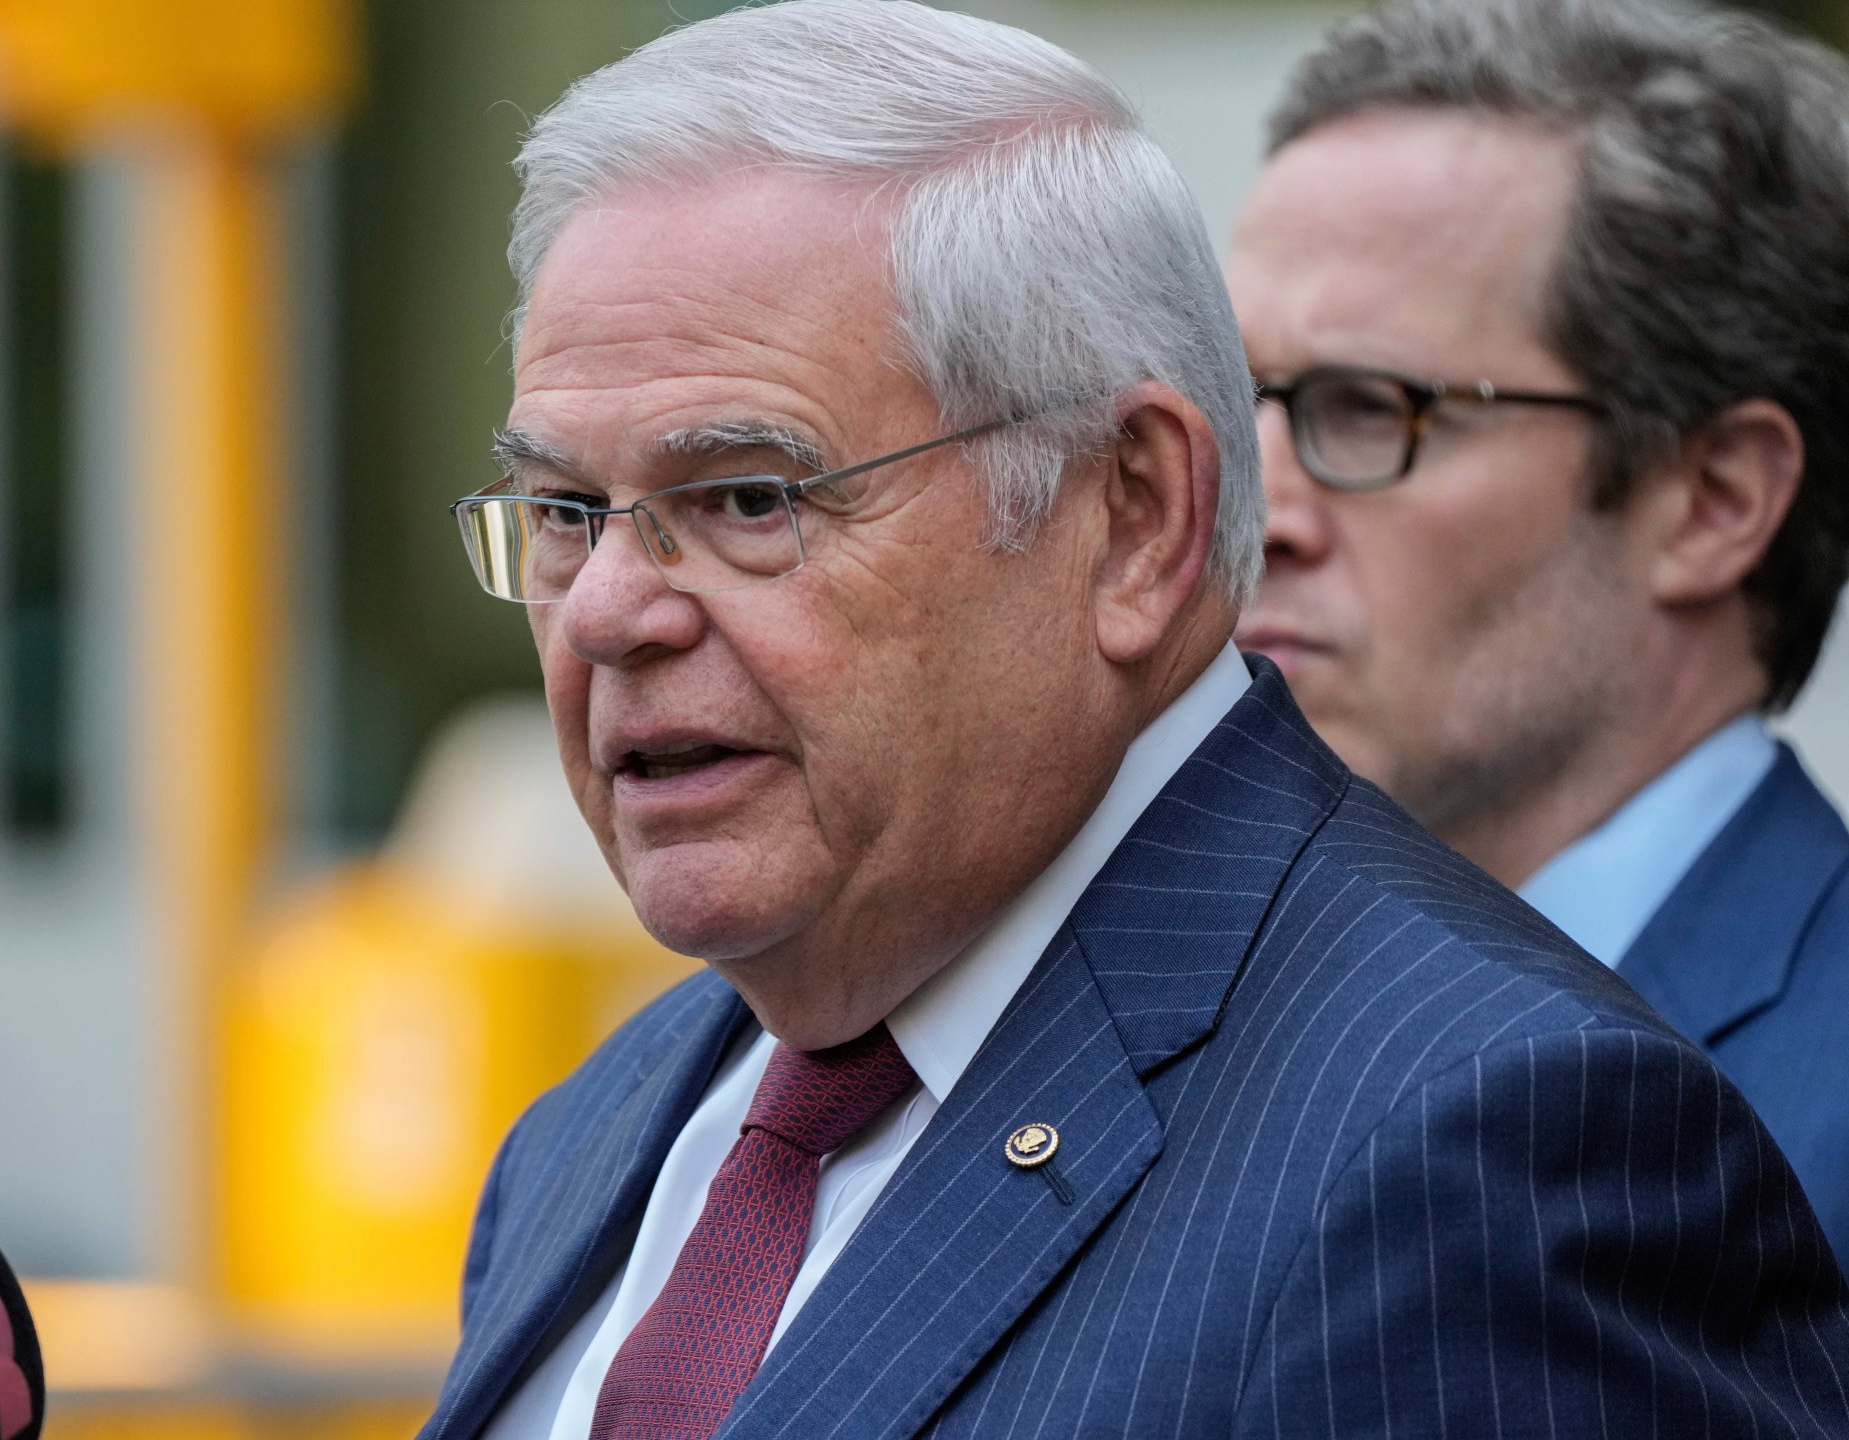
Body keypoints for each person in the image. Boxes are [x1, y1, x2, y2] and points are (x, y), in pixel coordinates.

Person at [421, 2, 1849, 1436]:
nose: (607, 610)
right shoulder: (599, 1133)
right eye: (563, 512)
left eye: (750, 498)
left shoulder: (1478, 1149)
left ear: (1135, 517)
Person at [1229, 0, 1849, 1258]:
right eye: (1225, 403)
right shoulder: (1159, 1026)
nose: (1251, 515)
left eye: (1368, 408)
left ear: (1712, 501)